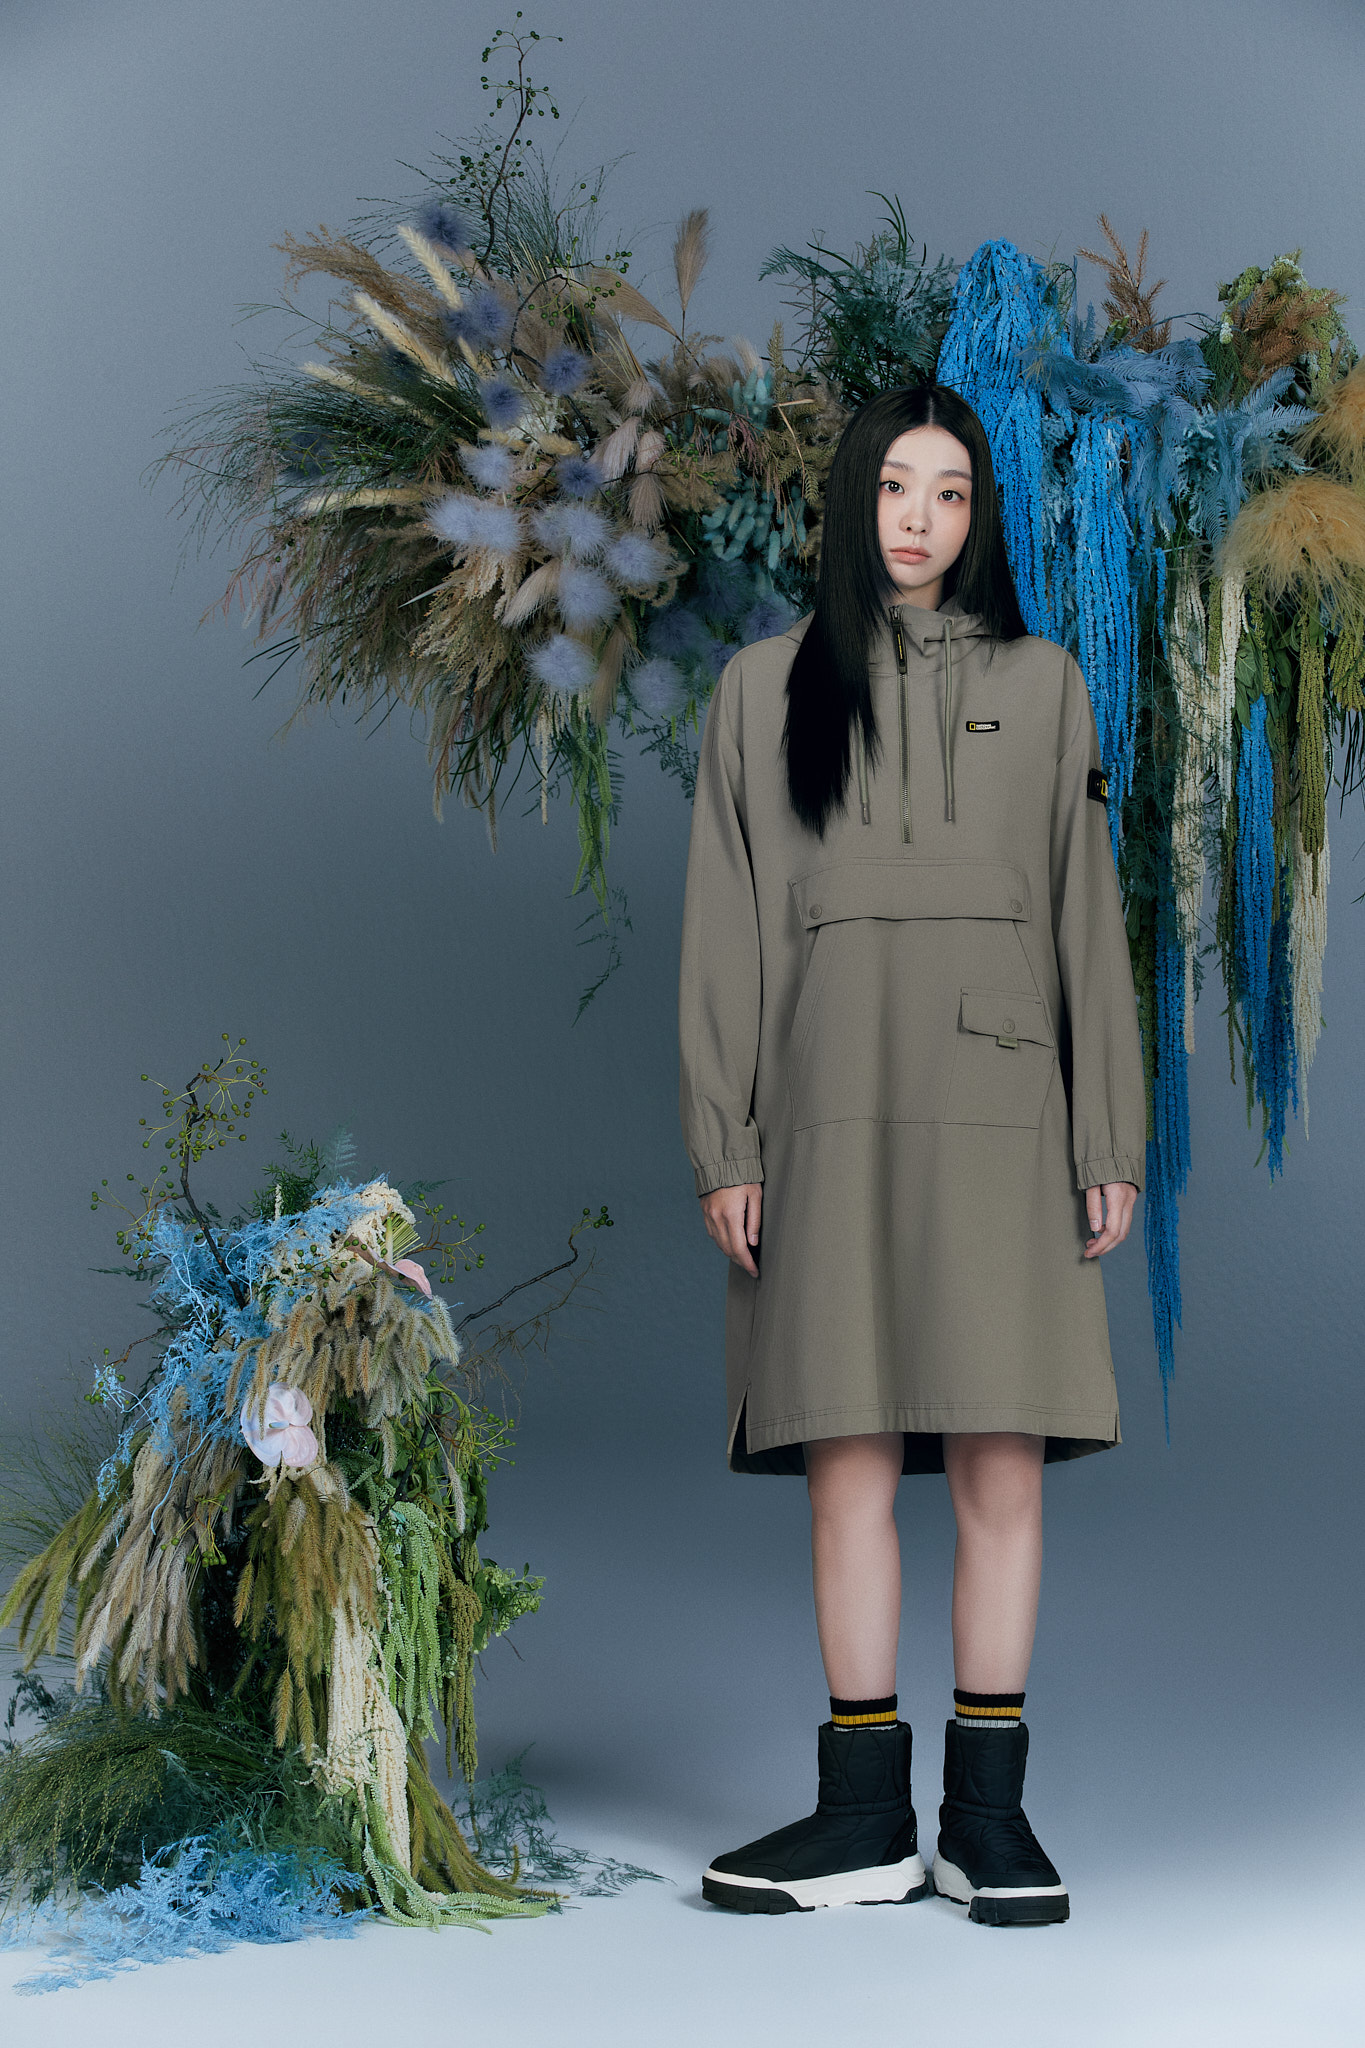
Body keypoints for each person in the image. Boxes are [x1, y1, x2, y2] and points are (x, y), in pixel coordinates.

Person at [677, 383, 1146, 1927]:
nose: (918, 519)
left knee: (1002, 1461)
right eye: (894, 485)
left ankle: (986, 1820)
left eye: (949, 493)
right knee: (849, 1459)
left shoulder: (1044, 683)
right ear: (850, 499)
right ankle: (862, 1819)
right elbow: (725, 929)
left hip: (1004, 1113)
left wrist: (1106, 1130)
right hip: (823, 1110)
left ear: (977, 518)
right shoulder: (760, 690)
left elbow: (1082, 913)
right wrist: (725, 1141)